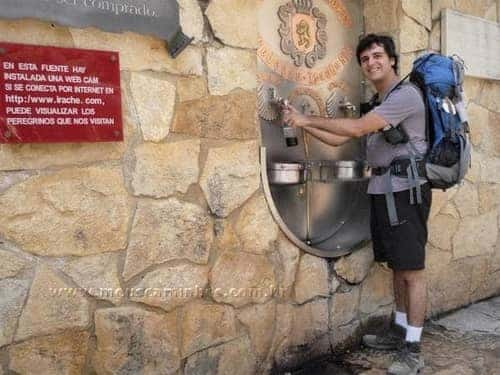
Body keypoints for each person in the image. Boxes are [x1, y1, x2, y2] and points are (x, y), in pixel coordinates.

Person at [282, 34, 431, 375]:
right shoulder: (379, 101)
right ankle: (398, 328)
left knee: (413, 270)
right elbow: (340, 136)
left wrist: (307, 120)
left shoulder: (405, 96)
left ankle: (413, 349)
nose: (371, 63)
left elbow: (356, 129)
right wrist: (302, 125)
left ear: (392, 59)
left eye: (378, 56)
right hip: (383, 189)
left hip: (406, 191)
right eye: (365, 59)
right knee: (397, 265)